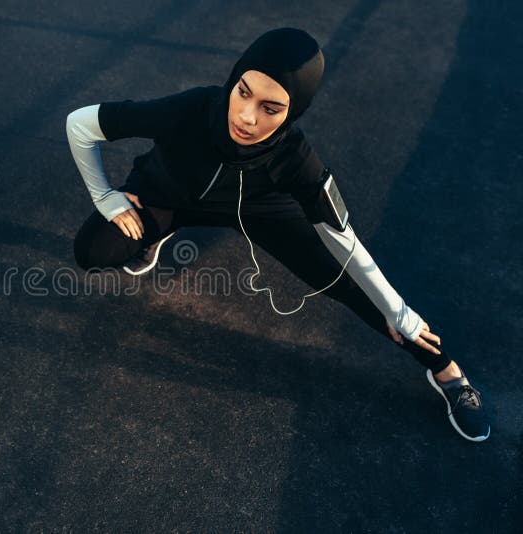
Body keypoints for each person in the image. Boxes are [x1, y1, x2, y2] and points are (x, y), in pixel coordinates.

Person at [65, 28, 489, 441]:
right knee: (93, 250)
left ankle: (448, 374)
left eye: (271, 108)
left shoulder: (297, 160)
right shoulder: (191, 109)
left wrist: (399, 314)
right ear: (234, 79)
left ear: (294, 111)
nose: (247, 117)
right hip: (169, 194)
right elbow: (80, 124)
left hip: (258, 208)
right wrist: (106, 197)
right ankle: (154, 233)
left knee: (349, 283)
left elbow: (346, 240)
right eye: (244, 92)